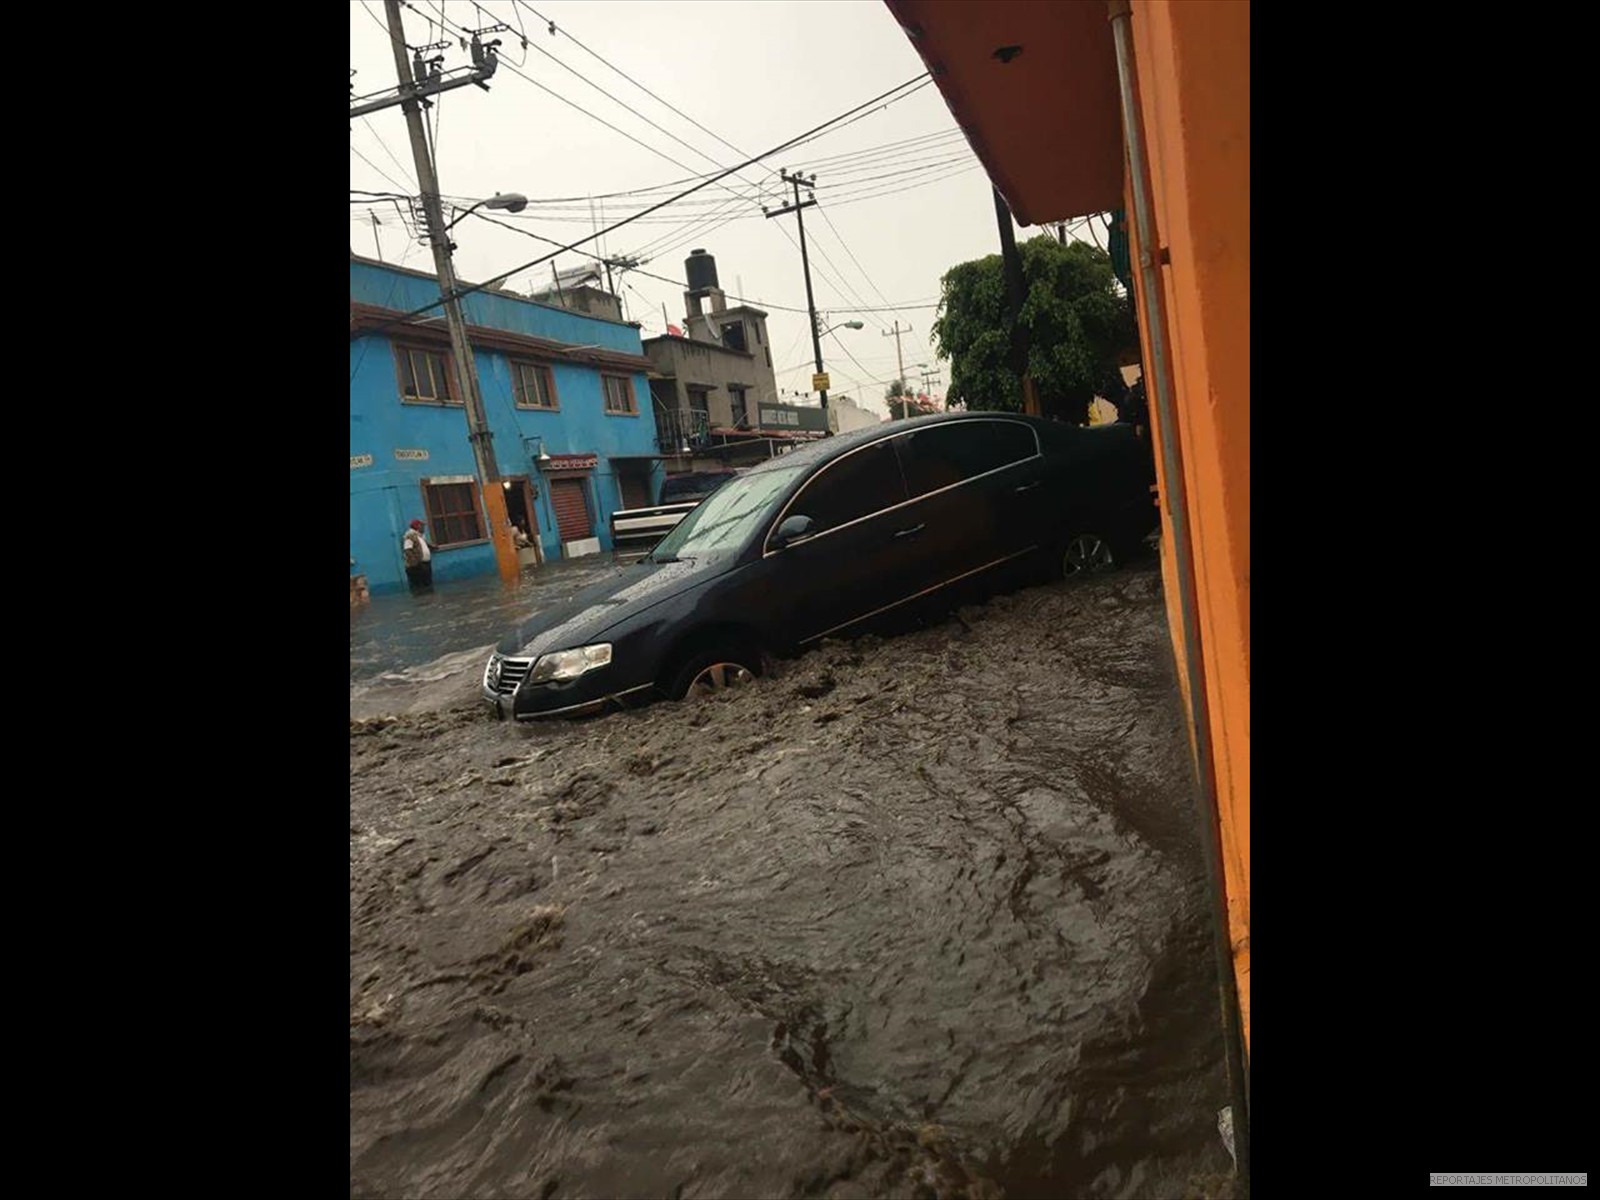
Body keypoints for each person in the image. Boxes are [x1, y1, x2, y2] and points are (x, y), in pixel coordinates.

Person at [402, 519, 433, 593]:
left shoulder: (420, 536)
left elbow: (423, 545)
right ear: (417, 526)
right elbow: (407, 550)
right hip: (417, 566)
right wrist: (416, 563)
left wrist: (432, 547)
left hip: (424, 564)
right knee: (419, 587)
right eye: (422, 526)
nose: (423, 528)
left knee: (427, 585)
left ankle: (429, 602)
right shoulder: (410, 536)